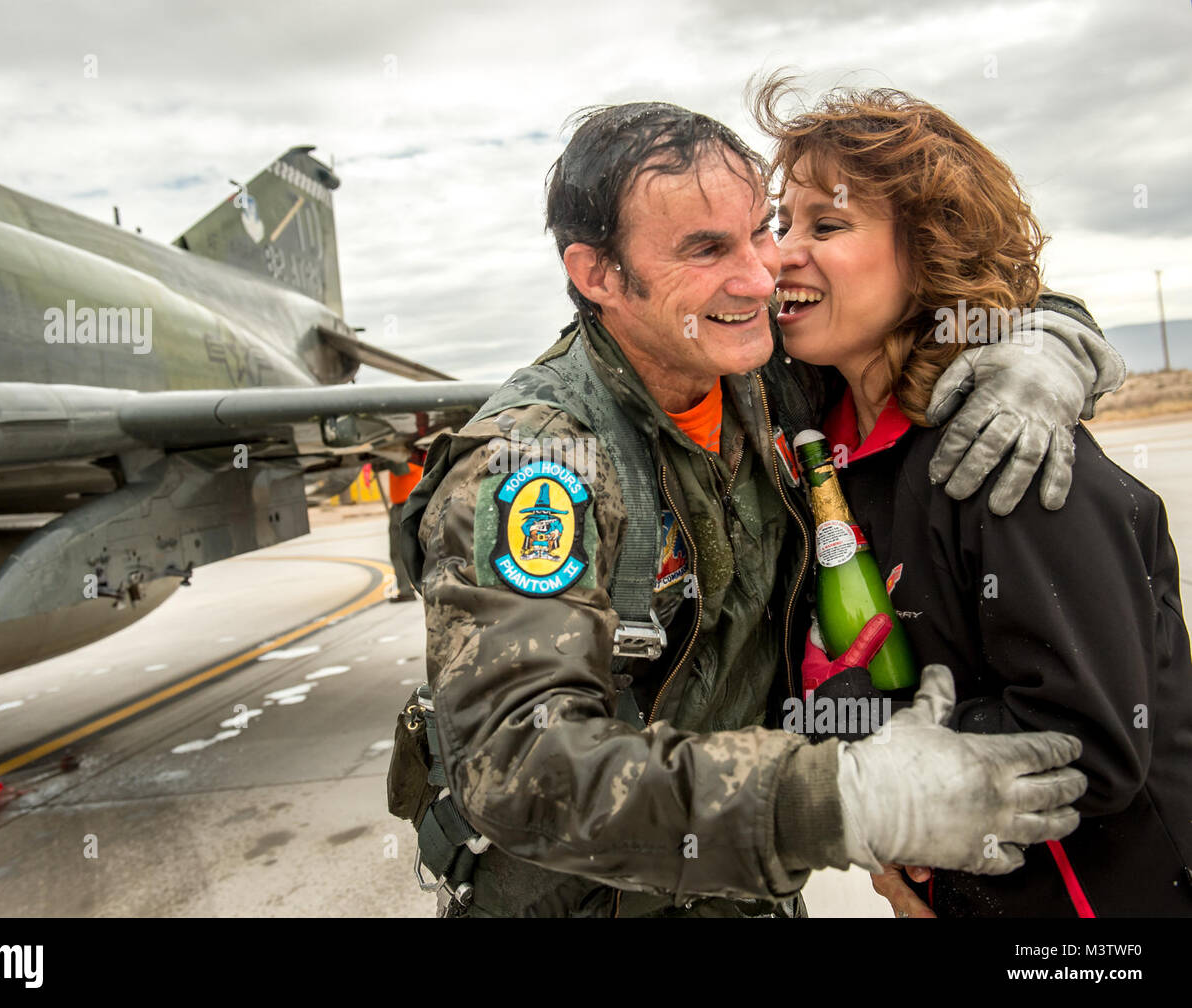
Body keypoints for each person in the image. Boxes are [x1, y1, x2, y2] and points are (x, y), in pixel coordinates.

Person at [389, 100, 1123, 918]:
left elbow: (927, 300)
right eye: (706, 250)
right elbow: (518, 766)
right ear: (598, 275)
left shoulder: (762, 371)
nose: (761, 277)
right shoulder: (537, 465)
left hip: (743, 895)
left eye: (761, 231)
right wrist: (844, 801)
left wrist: (1044, 342)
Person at [757, 77, 1192, 917]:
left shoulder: (1004, 448)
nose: (780, 255)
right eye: (782, 225)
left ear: (930, 250)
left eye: (827, 225)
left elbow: (1090, 746)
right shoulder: (822, 451)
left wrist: (862, 744)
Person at [385, 453, 424, 602]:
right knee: (396, 552)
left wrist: (384, 458)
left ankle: (429, 585)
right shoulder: (397, 455)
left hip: (409, 506)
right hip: (398, 507)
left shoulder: (413, 456)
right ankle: (405, 590)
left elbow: (401, 470)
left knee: (416, 550)